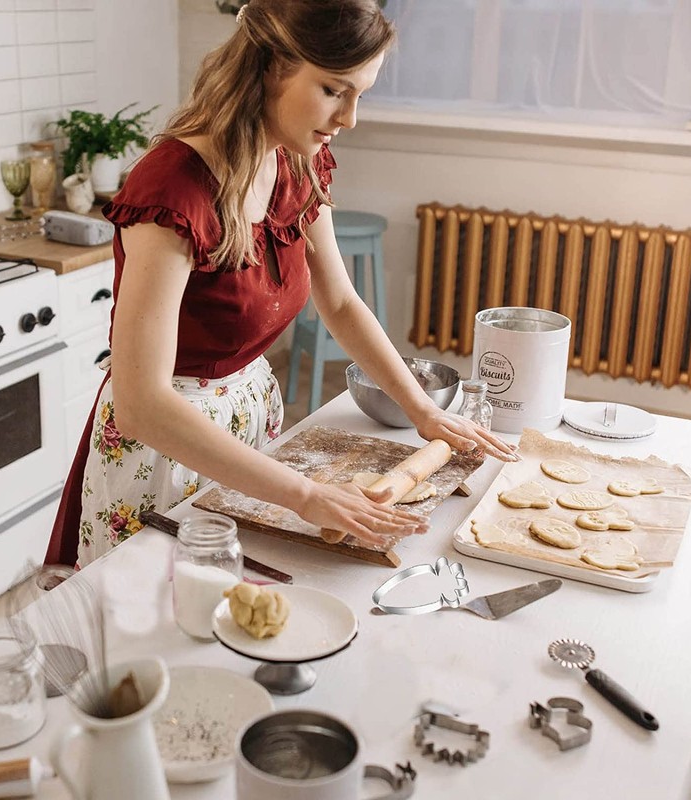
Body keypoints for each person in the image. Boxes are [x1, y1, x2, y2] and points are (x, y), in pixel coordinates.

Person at [45, 0, 517, 569]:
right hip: (164, 449)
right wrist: (307, 495)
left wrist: (422, 410)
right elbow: (143, 404)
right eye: (334, 90)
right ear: (271, 65)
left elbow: (339, 302)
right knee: (159, 633)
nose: (350, 118)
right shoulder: (173, 190)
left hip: (249, 420)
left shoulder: (295, 159)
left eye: (359, 94)